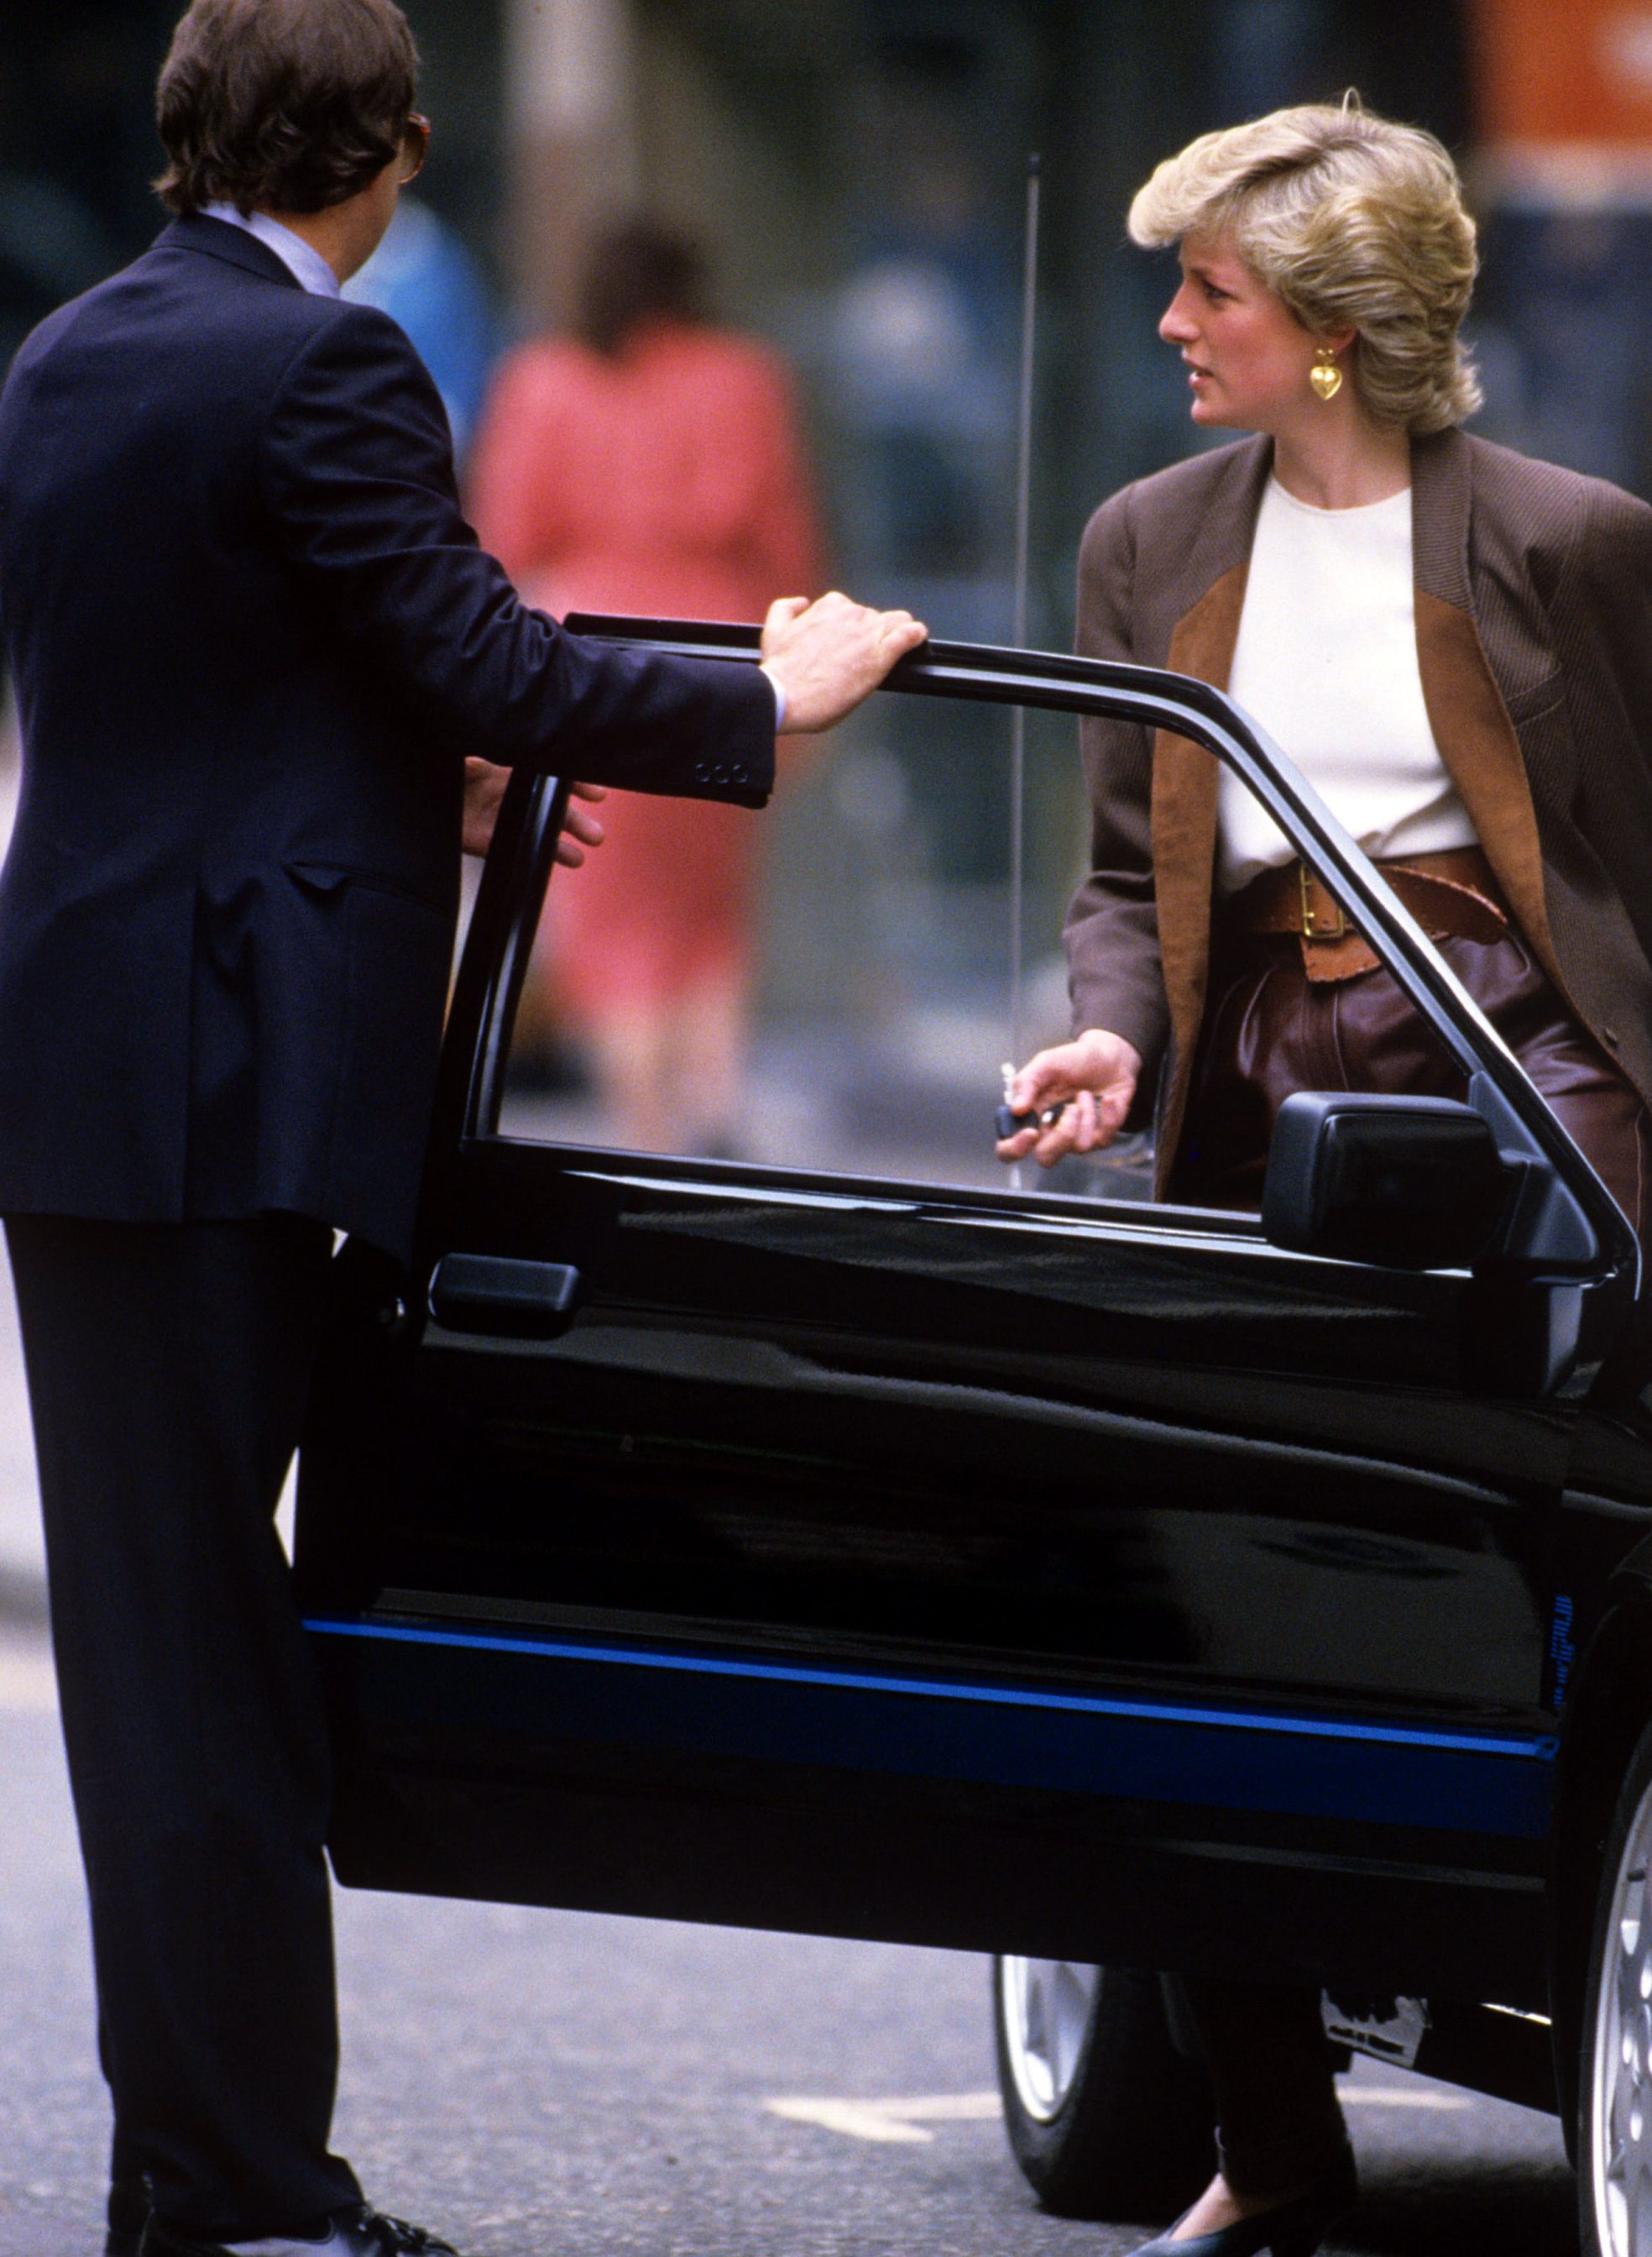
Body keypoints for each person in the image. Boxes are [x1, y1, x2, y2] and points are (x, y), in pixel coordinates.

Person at [0, 5, 924, 2253]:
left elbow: (222, 680)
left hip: (96, 1069)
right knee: (210, 1668)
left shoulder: (73, 352)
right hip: (232, 1082)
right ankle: (246, 2207)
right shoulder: (329, 365)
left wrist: (443, 779)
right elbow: (483, 653)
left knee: (161, 1661)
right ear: (391, 152)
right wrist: (760, 696)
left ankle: (198, 2191)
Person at [996, 100, 1652, 2257]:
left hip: (1516, 1079)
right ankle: (1274, 2146)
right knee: (1212, 1607)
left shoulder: (1572, 537)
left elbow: (1621, 892)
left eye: (1212, 289)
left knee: (1545, 1575)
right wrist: (1115, 1027)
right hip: (1256, 1085)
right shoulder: (1142, 542)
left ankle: (1609, 2056)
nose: (1172, 320)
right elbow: (1128, 873)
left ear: (1336, 329)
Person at [472, 217, 823, 1155]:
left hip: (593, 650)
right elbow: (787, 542)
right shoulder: (744, 378)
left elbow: (503, 538)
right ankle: (714, 1098)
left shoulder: (543, 382)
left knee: (612, 913)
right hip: (724, 644)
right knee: (711, 906)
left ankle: (645, 1134)